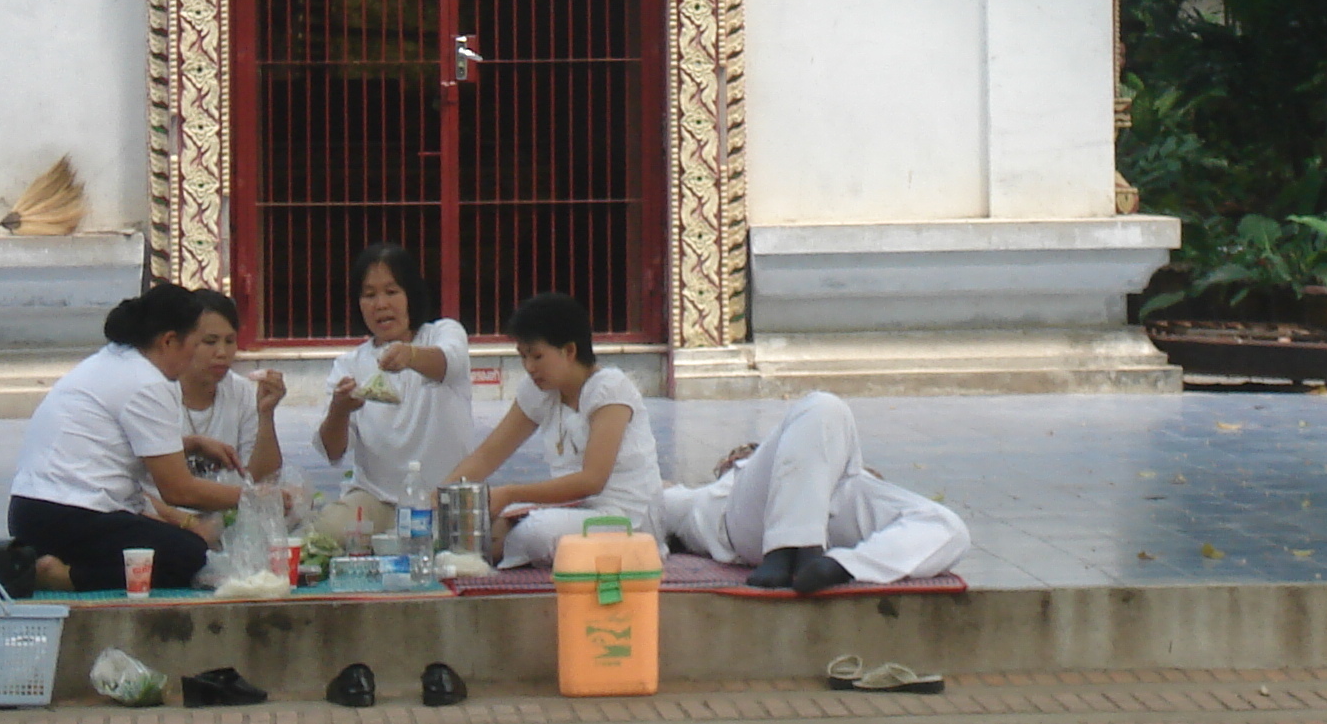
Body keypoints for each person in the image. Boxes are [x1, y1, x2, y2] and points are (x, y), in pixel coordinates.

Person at [7, 285, 252, 591]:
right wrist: (257, 497)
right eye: (198, 344)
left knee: (168, 544)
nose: (195, 358)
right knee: (188, 556)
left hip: (34, 511)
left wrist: (191, 443)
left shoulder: (117, 360)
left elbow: (127, 443)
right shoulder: (147, 383)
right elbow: (179, 490)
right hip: (68, 514)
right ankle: (64, 578)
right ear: (169, 341)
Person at [655, 391, 970, 594]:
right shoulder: (708, 497)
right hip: (754, 528)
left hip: (834, 512)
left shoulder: (823, 454)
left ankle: (840, 567)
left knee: (949, 526)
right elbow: (655, 502)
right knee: (823, 405)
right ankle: (790, 550)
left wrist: (842, 563)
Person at [446, 291, 663, 568]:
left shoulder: (609, 389)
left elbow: (591, 481)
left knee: (536, 533)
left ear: (569, 351)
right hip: (572, 512)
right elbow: (488, 455)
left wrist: (512, 493)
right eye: (522, 357)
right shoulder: (539, 392)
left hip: (625, 518)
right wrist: (438, 497)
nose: (529, 367)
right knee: (491, 525)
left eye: (537, 356)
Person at [316, 242, 472, 508]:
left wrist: (410, 356)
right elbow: (333, 451)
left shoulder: (443, 333)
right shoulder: (349, 364)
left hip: (444, 497)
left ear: (411, 294)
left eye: (392, 291)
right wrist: (339, 409)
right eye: (369, 295)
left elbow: (450, 362)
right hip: (375, 498)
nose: (381, 304)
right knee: (332, 529)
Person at [169, 291, 284, 511]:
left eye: (230, 341)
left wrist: (266, 415)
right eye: (210, 342)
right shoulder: (157, 391)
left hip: (228, 510)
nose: (222, 352)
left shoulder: (240, 390)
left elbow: (261, 478)